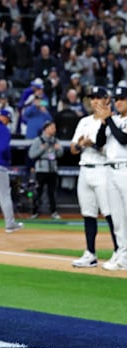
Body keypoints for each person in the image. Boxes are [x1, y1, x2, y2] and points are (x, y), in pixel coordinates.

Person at [70, 86, 118, 268]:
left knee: (110, 214)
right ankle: (90, 253)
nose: (95, 101)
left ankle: (119, 253)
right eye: (92, 98)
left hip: (103, 170)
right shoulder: (84, 121)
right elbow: (73, 149)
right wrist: (82, 145)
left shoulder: (112, 121)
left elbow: (113, 150)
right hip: (85, 169)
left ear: (107, 100)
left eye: (98, 97)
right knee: (88, 214)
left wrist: (94, 145)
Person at [95, 86, 127, 271]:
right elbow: (99, 142)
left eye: (122, 98)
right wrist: (103, 122)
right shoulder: (112, 119)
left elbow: (123, 139)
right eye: (117, 99)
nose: (119, 102)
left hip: (125, 170)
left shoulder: (117, 121)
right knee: (117, 218)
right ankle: (122, 256)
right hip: (111, 171)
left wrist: (108, 120)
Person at [28, 121, 64, 219]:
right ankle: (34, 212)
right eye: (52, 128)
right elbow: (31, 155)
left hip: (52, 169)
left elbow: (60, 154)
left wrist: (58, 149)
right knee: (37, 191)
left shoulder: (56, 141)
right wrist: (41, 149)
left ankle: (53, 212)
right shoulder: (38, 140)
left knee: (52, 192)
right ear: (46, 129)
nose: (54, 130)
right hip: (41, 169)